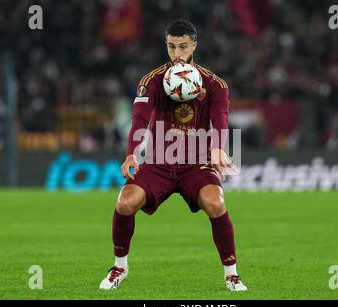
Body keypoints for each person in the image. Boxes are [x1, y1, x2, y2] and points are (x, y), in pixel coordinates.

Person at [99, 19, 247, 291]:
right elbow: (139, 119)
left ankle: (231, 274)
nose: (176, 53)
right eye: (171, 46)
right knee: (124, 203)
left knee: (216, 204)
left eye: (182, 46)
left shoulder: (215, 85)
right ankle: (119, 267)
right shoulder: (152, 81)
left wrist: (217, 147)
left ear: (194, 46)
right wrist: (131, 154)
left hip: (196, 164)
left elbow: (221, 118)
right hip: (158, 162)